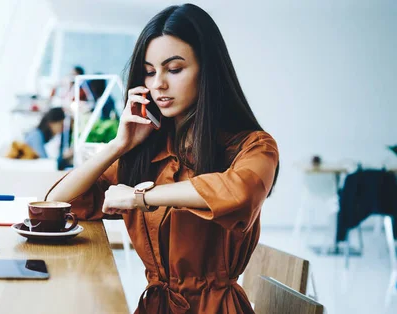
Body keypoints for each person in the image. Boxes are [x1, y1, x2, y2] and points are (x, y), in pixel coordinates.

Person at [45, 3, 279, 314]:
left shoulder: (254, 147)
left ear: (207, 70)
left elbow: (238, 193)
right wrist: (119, 143)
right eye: (150, 71)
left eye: (175, 69)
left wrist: (140, 197)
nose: (158, 85)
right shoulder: (147, 153)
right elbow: (55, 205)